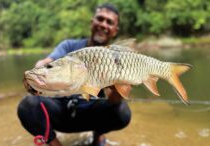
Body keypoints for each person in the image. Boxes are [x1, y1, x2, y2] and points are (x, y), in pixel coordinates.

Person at [17, 3, 131, 146]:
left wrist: (119, 89)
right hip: (63, 111)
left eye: (109, 22)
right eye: (100, 19)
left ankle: (98, 136)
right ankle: (55, 143)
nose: (103, 24)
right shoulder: (69, 46)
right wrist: (36, 72)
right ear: (92, 22)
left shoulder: (116, 58)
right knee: (27, 105)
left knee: (122, 112)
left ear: (115, 30)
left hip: (93, 116)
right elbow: (47, 62)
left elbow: (114, 101)